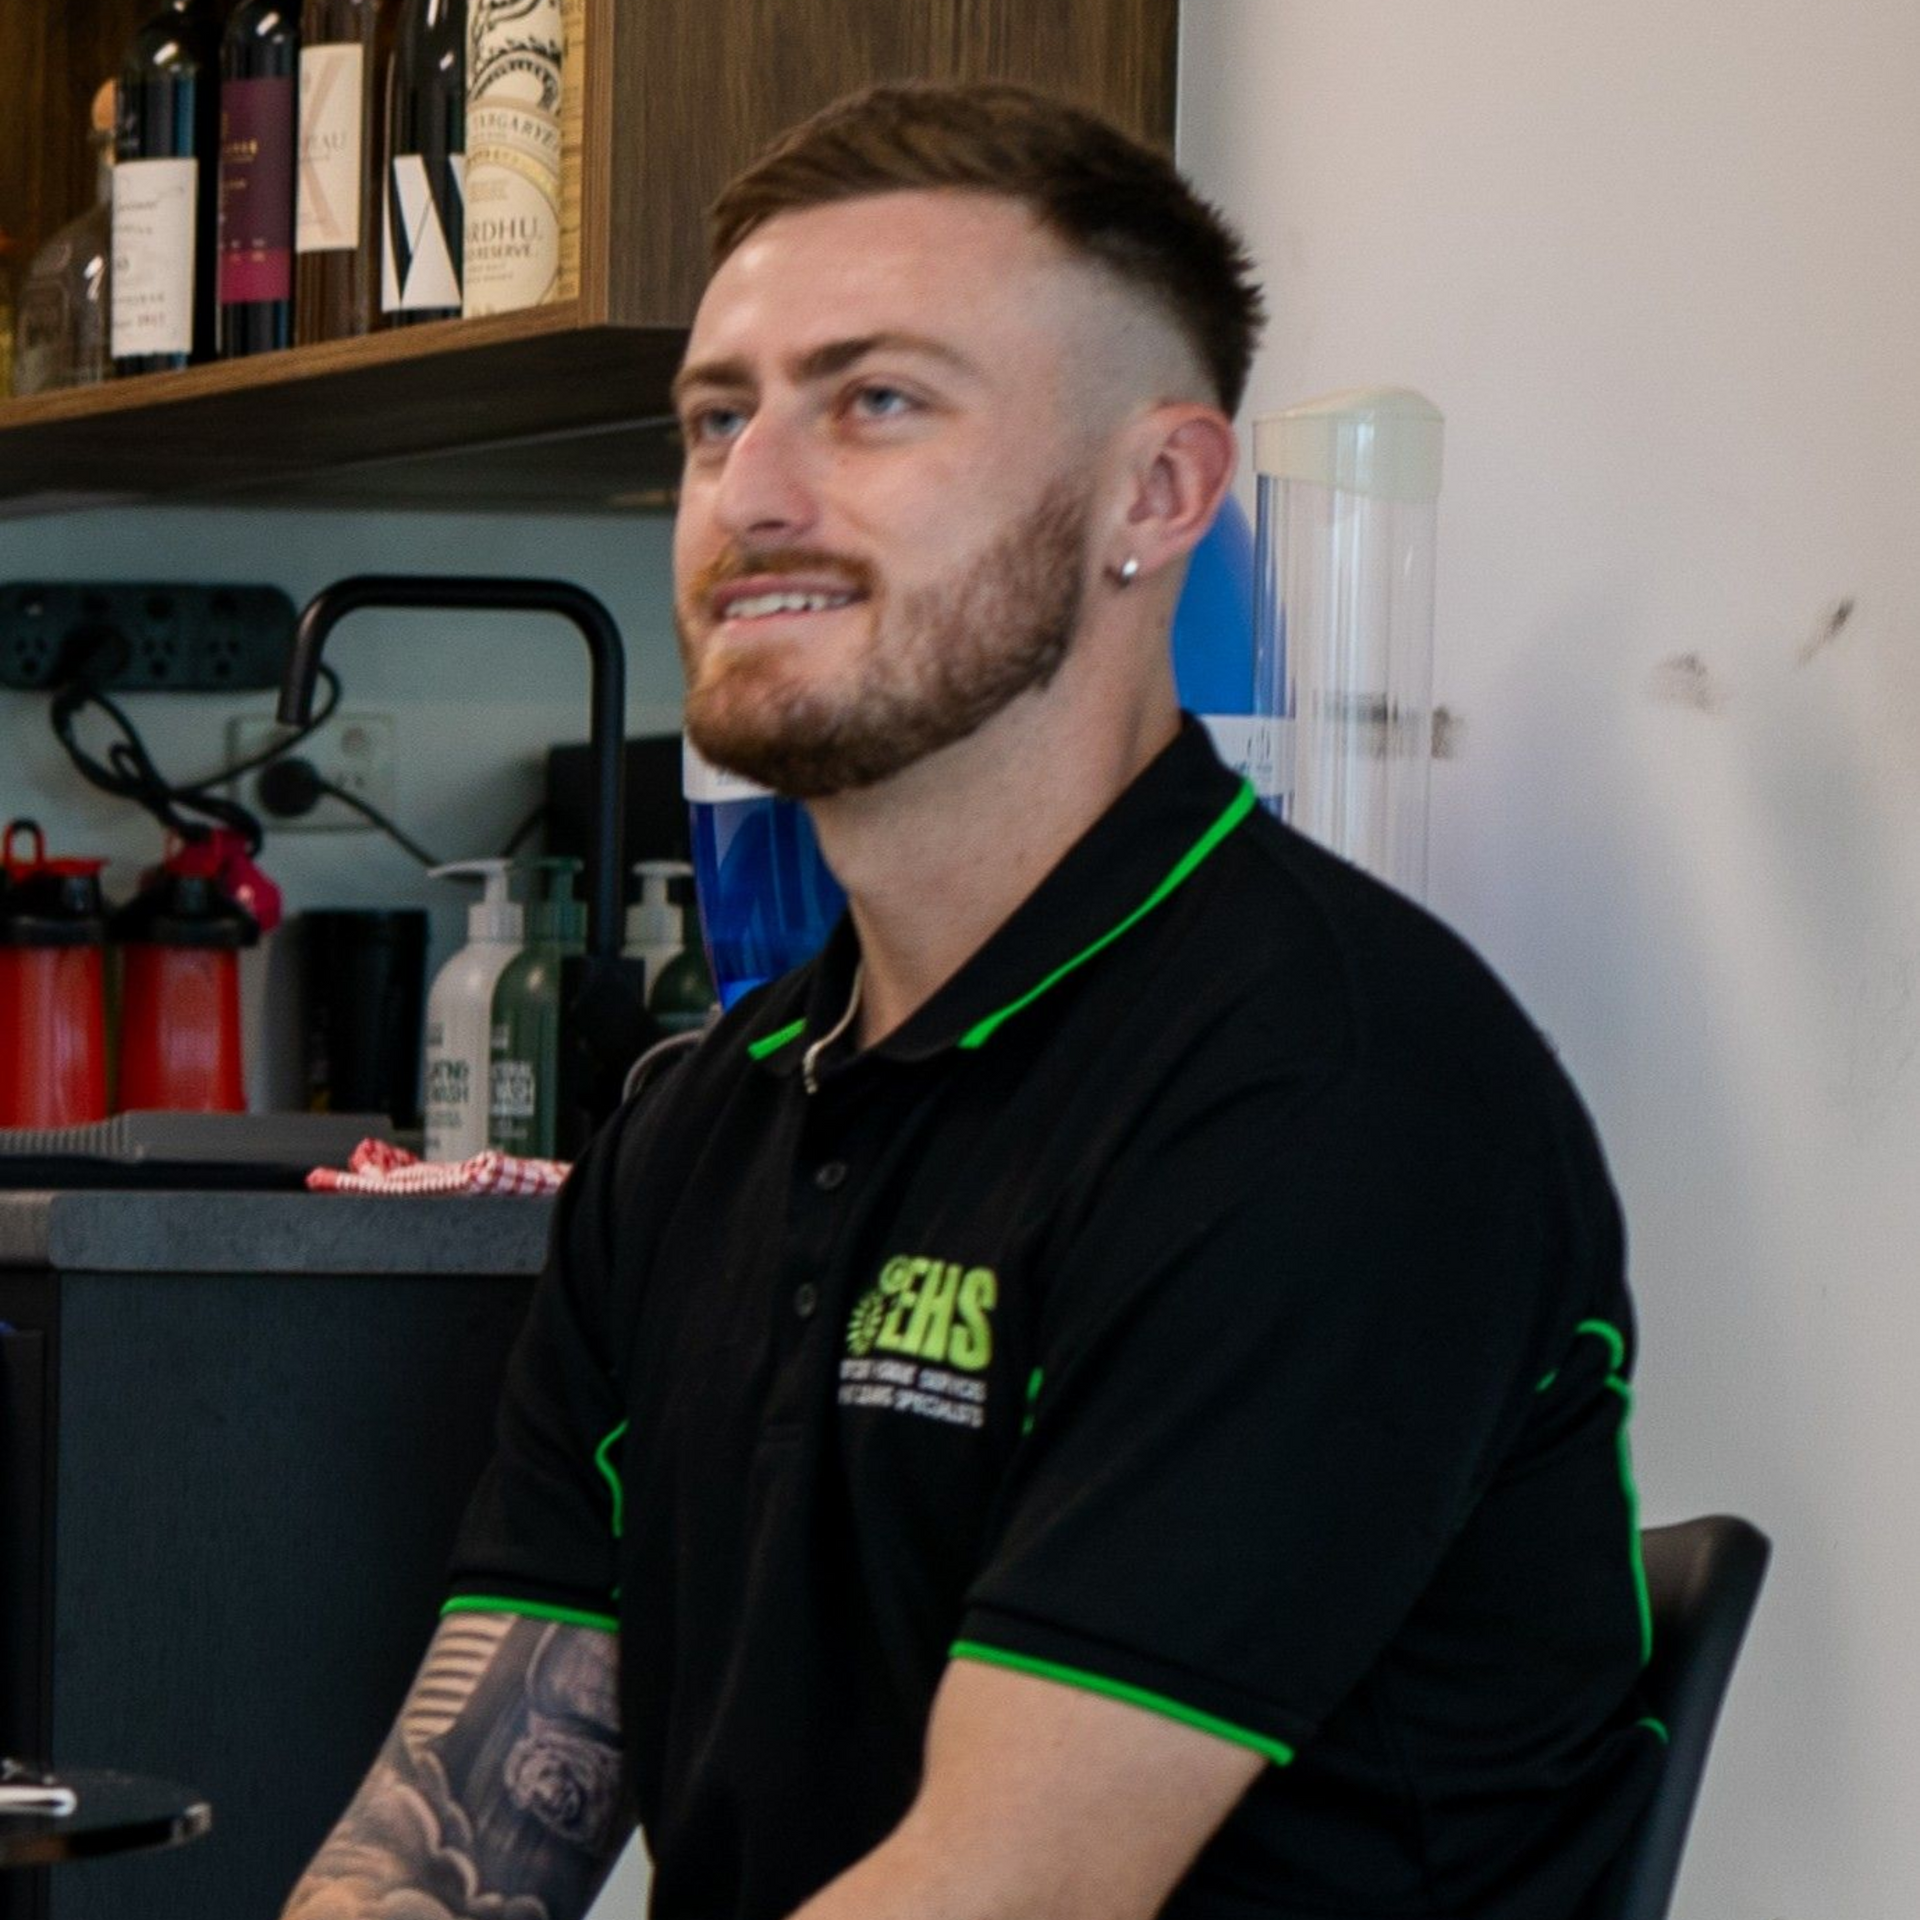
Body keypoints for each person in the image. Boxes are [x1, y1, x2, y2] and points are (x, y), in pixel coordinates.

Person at [282, 82, 1661, 1920]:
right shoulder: (702, 1130)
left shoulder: (1330, 1092)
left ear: (1156, 494)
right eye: (716, 419)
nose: (750, 495)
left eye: (875, 401)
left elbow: (1006, 1893)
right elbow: (446, 1848)